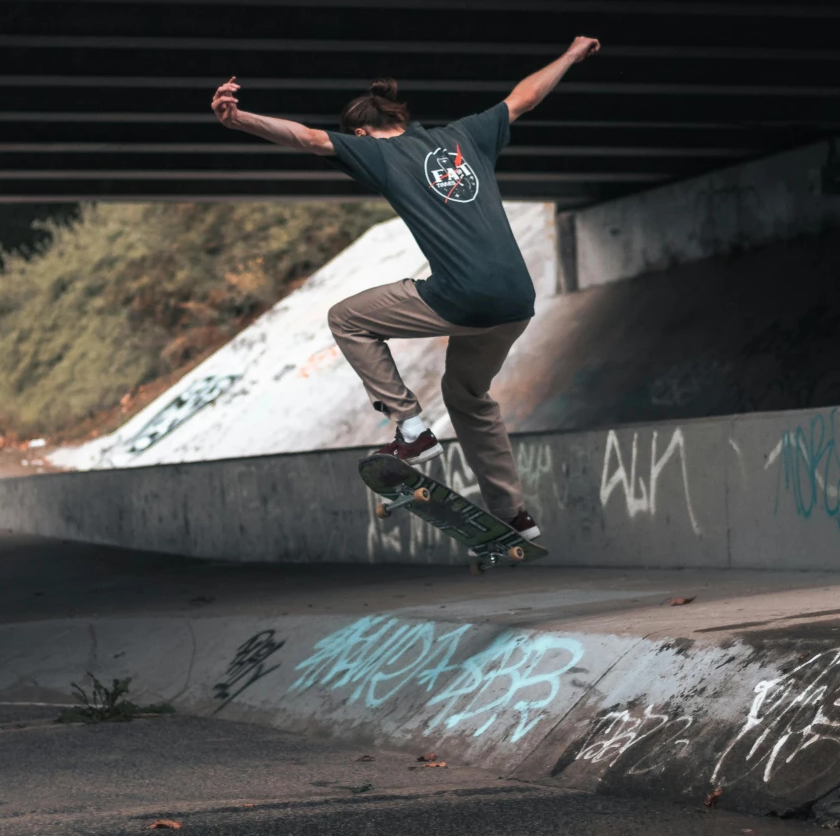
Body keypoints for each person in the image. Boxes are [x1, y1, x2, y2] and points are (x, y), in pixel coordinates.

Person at [209, 36, 602, 544]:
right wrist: (570, 55)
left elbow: (307, 138)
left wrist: (240, 120)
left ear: (361, 131)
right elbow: (524, 97)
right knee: (468, 396)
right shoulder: (466, 135)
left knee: (347, 318)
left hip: (461, 296)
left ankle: (412, 431)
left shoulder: (378, 153)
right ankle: (515, 516)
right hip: (515, 301)